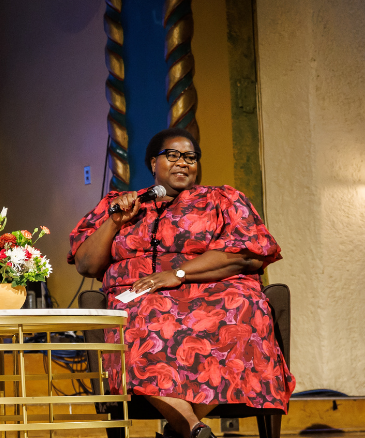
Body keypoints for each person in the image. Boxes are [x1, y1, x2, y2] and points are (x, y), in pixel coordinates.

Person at [69, 128, 294, 438]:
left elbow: (248, 254)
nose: (183, 163)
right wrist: (115, 221)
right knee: (145, 313)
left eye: (190, 157)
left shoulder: (221, 200)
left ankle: (184, 431)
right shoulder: (122, 205)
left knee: (245, 307)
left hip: (215, 290)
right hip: (140, 295)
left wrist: (177, 274)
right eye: (172, 155)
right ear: (153, 163)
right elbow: (86, 264)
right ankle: (192, 430)